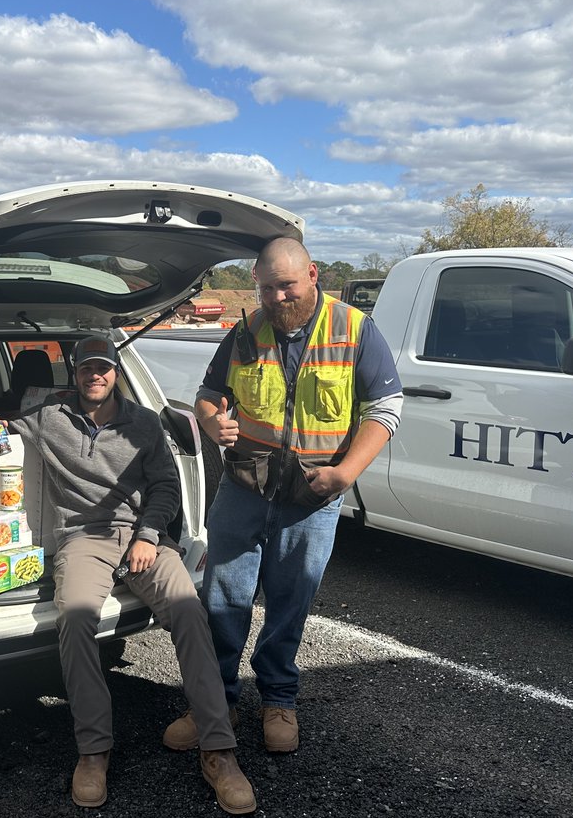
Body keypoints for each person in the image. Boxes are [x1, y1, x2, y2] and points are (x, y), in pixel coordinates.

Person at [0, 335, 257, 816]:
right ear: (76, 372)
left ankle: (219, 751)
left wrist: (149, 534)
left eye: (104, 368)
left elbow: (167, 487)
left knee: (189, 612)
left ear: (116, 372)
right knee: (77, 620)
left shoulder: (144, 424)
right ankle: (93, 752)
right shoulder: (48, 418)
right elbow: (1, 428)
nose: (96, 376)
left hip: (141, 536)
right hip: (83, 539)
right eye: (87, 368)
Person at [162, 237, 402, 756]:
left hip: (313, 495)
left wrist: (344, 475)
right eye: (266, 288)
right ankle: (214, 701)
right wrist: (212, 421)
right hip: (245, 487)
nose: (276, 298)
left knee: (291, 603)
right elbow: (207, 396)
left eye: (286, 285)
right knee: (223, 599)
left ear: (313, 274)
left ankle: (279, 699)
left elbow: (384, 409)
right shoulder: (245, 331)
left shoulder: (355, 330)